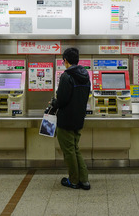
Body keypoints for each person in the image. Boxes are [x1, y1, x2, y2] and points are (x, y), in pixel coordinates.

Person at [51, 47, 91, 190]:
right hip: (79, 118)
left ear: (66, 60)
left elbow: (61, 100)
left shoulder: (66, 76)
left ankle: (73, 181)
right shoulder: (85, 75)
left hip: (66, 119)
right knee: (75, 148)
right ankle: (84, 180)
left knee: (69, 151)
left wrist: (53, 103)